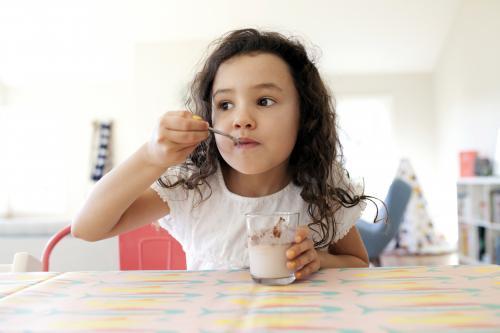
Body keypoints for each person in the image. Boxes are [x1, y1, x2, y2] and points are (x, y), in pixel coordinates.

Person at [72, 28, 370, 279]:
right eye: (225, 105)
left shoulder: (321, 184)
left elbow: (358, 263)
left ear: (305, 115)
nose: (241, 118)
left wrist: (320, 260)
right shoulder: (192, 186)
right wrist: (151, 156)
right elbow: (87, 228)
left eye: (264, 101)